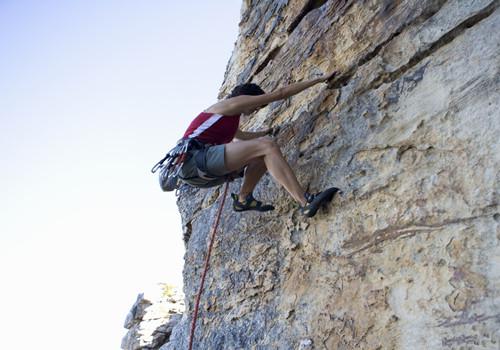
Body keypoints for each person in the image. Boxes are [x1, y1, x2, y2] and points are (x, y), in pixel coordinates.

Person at [177, 72, 340, 218]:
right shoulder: (231, 104)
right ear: (247, 98)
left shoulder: (228, 120)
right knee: (267, 146)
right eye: (256, 105)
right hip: (194, 160)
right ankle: (305, 202)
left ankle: (243, 199)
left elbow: (244, 137)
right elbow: (280, 93)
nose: (256, 109)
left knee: (261, 156)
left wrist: (267, 131)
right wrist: (318, 80)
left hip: (197, 173)